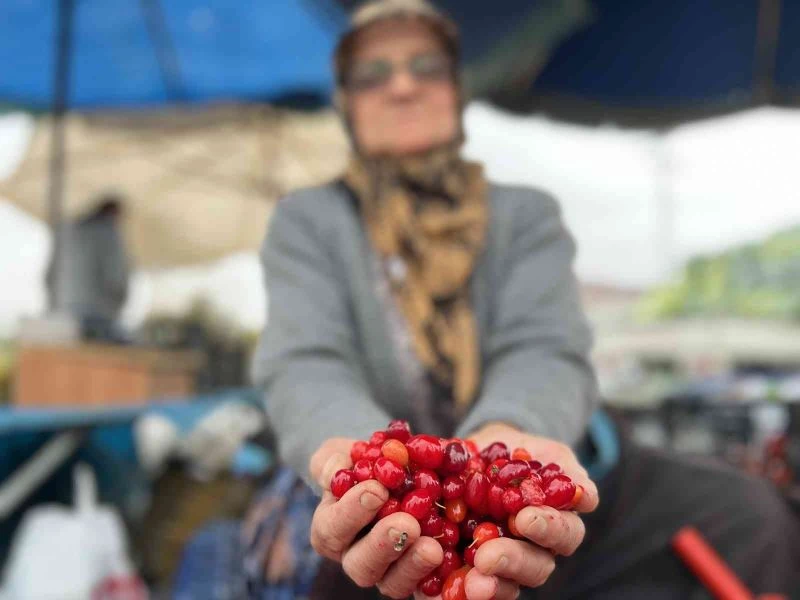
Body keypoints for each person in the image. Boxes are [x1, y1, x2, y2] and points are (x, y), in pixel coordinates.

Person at [252, 1, 800, 598]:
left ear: (455, 90)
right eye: (373, 73)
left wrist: (510, 431)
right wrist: (367, 463)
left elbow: (545, 346)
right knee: (357, 571)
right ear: (348, 103)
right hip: (402, 511)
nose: (403, 86)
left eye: (425, 66)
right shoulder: (310, 221)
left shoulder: (522, 213)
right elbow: (306, 360)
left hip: (574, 464)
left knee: (749, 515)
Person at [46, 193, 130, 342]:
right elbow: (116, 278)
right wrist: (118, 305)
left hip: (61, 314)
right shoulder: (109, 233)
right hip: (98, 316)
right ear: (114, 212)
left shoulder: (66, 231)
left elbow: (49, 276)